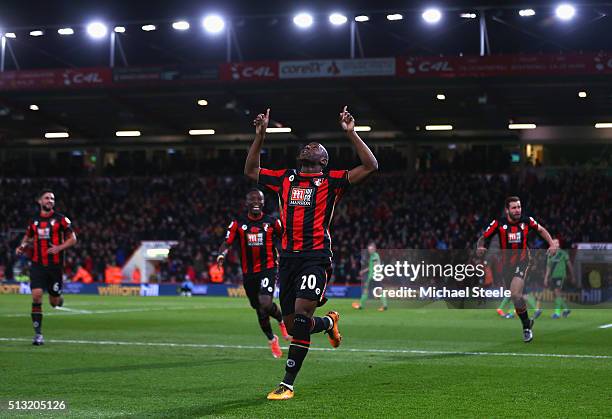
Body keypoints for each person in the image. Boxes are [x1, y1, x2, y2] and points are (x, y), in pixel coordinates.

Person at [245, 106, 378, 399]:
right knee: (295, 327)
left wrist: (352, 133)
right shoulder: (285, 178)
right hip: (288, 259)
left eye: (316, 147)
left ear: (323, 160)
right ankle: (329, 322)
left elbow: (370, 166)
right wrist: (260, 136)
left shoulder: (331, 182)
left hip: (316, 257)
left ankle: (287, 384)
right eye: (307, 145)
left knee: (302, 318)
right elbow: (251, 171)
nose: (310, 146)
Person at [217, 189, 290, 359]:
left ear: (263, 203)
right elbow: (227, 242)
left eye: (259, 199)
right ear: (246, 203)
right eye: (252, 199)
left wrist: (286, 255)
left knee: (265, 302)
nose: (256, 201)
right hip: (249, 273)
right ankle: (272, 339)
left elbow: (286, 238)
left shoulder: (272, 222)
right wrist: (221, 254)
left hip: (268, 268)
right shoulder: (238, 224)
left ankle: (281, 321)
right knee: (259, 310)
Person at [477, 196, 557, 343]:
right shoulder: (498, 224)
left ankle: (526, 328)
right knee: (515, 298)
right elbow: (483, 237)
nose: (517, 210)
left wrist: (551, 244)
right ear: (507, 210)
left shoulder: (526, 221)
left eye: (519, 207)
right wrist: (480, 247)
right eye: (514, 207)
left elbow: (541, 230)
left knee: (515, 293)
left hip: (523, 261)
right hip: (506, 265)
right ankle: (527, 324)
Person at [15, 189, 77, 346]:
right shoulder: (34, 221)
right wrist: (22, 245)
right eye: (47, 198)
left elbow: (73, 239)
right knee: (36, 296)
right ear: (40, 201)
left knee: (54, 302)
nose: (50, 200)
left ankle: (58, 298)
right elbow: (28, 236)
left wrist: (59, 247)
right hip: (37, 264)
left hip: (55, 266)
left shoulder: (61, 220)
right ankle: (38, 334)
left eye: (52, 198)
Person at [352, 242, 388, 311]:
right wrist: (363, 271)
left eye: (371, 249)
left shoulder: (374, 256)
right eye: (369, 250)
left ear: (374, 249)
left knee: (366, 290)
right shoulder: (374, 255)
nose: (370, 251)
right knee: (379, 290)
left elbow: (375, 265)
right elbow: (371, 267)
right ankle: (385, 305)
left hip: (373, 277)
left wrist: (372, 276)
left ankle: (360, 306)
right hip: (376, 276)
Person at [544, 239, 575, 319]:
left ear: (558, 244)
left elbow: (569, 264)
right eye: (553, 243)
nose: (555, 244)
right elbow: (548, 267)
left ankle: (557, 313)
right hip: (553, 277)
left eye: (556, 243)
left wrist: (572, 275)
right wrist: (546, 278)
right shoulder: (550, 254)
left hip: (560, 276)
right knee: (556, 295)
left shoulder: (563, 253)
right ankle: (566, 309)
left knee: (557, 292)